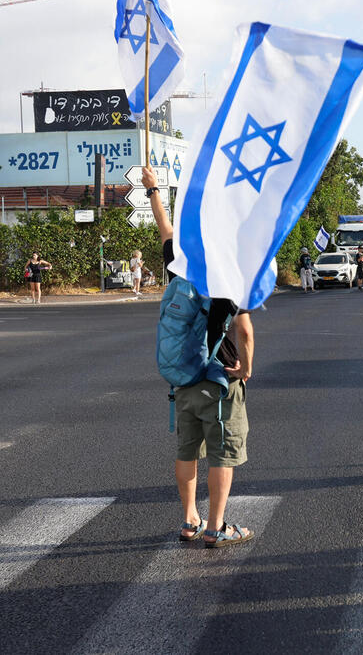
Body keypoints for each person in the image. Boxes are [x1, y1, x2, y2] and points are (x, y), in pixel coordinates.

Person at [143, 165, 256, 548]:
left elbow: (165, 230)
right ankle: (216, 526)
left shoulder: (182, 259)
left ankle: (190, 519)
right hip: (220, 377)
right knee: (222, 453)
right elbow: (243, 329)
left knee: (187, 450)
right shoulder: (228, 268)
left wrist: (153, 189)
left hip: (183, 377)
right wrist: (247, 366)